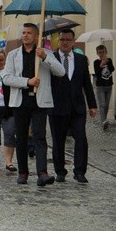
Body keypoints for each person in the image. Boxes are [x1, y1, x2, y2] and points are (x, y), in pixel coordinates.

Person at [3, 23, 65, 186]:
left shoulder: (46, 54)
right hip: (20, 101)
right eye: (23, 32)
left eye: (29, 33)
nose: (25, 35)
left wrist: (45, 57)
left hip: (40, 101)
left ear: (37, 36)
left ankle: (42, 173)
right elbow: (7, 78)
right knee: (21, 138)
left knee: (39, 137)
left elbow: (61, 72)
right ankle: (23, 172)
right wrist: (27, 81)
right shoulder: (13, 55)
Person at [50, 29, 97, 183]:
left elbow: (87, 84)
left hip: (77, 107)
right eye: (62, 39)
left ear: (73, 41)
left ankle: (80, 171)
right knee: (58, 141)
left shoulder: (81, 59)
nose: (65, 42)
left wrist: (92, 104)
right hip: (57, 107)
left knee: (81, 139)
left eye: (68, 40)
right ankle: (60, 171)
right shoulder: (51, 58)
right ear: (58, 41)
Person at [93, 44, 114, 130]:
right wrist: (101, 65)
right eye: (100, 52)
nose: (101, 54)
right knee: (102, 104)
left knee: (107, 105)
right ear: (97, 53)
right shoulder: (96, 62)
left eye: (103, 52)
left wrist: (107, 62)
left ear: (106, 52)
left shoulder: (109, 60)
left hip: (109, 85)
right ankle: (103, 122)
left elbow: (112, 69)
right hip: (100, 86)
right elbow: (97, 74)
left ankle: (104, 121)